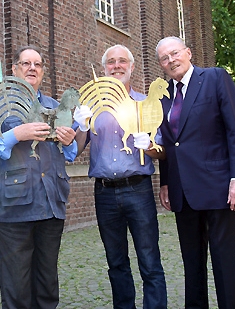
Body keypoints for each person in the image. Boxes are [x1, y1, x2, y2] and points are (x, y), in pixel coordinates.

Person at [0, 45, 77, 309]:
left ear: (43, 71)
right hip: (12, 210)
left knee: (47, 287)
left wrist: (69, 140)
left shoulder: (56, 107)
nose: (32, 68)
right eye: (26, 64)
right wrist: (15, 134)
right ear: (14, 70)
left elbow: (71, 154)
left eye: (37, 64)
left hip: (50, 205)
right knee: (16, 290)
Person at [155, 36, 235, 309]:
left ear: (188, 52)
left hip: (218, 187)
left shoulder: (215, 78)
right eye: (164, 58)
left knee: (225, 260)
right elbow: (167, 142)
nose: (171, 60)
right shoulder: (163, 96)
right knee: (192, 263)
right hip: (182, 191)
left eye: (174, 53)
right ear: (161, 65)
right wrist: (165, 183)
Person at [74, 44, 167, 309]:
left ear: (132, 66)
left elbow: (162, 153)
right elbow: (75, 149)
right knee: (116, 263)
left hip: (138, 190)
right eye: (111, 62)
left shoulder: (145, 104)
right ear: (104, 69)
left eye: (122, 61)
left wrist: (148, 146)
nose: (117, 66)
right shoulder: (92, 105)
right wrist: (82, 125)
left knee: (149, 260)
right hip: (104, 192)